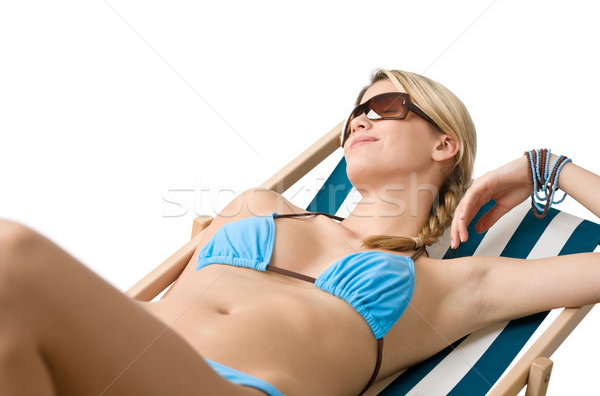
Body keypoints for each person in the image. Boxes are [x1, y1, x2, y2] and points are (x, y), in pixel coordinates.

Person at [1, 68, 599, 396]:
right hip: (113, 369)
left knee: (13, 255)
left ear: (446, 144)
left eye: (388, 106)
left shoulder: (454, 284)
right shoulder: (259, 205)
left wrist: (549, 166)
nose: (362, 117)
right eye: (356, 112)